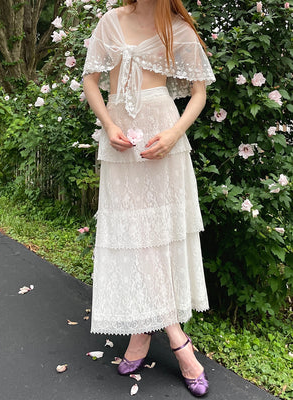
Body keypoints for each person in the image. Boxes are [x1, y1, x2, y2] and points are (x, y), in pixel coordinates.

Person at [83, 0, 215, 396]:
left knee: (156, 238)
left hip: (163, 136)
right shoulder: (111, 21)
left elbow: (198, 92)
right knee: (134, 235)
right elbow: (91, 79)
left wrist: (174, 134)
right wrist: (108, 125)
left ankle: (143, 335)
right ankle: (178, 341)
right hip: (121, 140)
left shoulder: (177, 27)